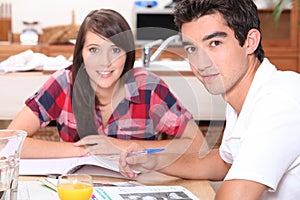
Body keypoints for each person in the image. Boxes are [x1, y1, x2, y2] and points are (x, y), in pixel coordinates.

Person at [119, 0, 300, 199]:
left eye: (214, 43)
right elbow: (224, 162)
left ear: (250, 42)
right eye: (191, 49)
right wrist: (153, 161)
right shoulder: (243, 97)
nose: (201, 63)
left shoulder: (279, 101)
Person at [8, 9, 204, 159]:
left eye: (115, 50)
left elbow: (196, 145)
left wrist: (118, 146)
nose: (104, 61)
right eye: (94, 50)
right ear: (81, 54)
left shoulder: (149, 88)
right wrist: (84, 150)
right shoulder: (65, 82)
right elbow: (9, 141)